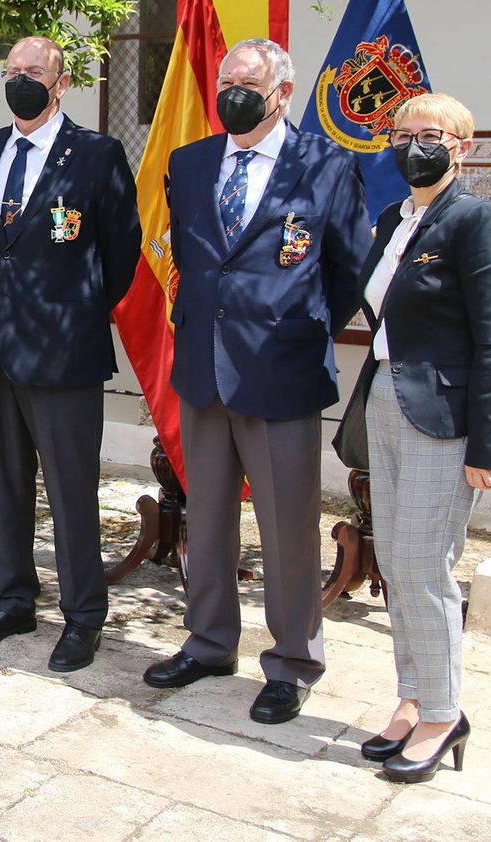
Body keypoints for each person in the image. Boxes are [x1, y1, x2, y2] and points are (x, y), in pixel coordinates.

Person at [143, 37, 370, 720]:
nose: (231, 90)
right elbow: (193, 257)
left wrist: (300, 327)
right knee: (207, 518)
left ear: (283, 93)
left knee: (287, 527)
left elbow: (350, 268)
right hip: (205, 370)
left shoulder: (326, 164)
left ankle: (293, 661)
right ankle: (210, 640)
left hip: (283, 370)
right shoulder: (190, 163)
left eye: (247, 82)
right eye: (226, 79)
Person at [0, 36, 142, 673]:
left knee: (70, 493)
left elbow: (120, 255)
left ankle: (83, 615)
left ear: (61, 84)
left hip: (65, 354)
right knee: (5, 486)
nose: (21, 81)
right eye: (11, 71)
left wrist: (73, 308)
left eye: (33, 72)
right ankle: (12, 599)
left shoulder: (96, 154)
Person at [350, 93, 491, 782]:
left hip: (445, 418)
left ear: (462, 146)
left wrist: (490, 445)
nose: (413, 144)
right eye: (402, 134)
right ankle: (412, 696)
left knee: (425, 567)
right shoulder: (394, 219)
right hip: (386, 396)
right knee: (395, 561)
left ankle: (446, 713)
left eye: (431, 134)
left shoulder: (477, 221)